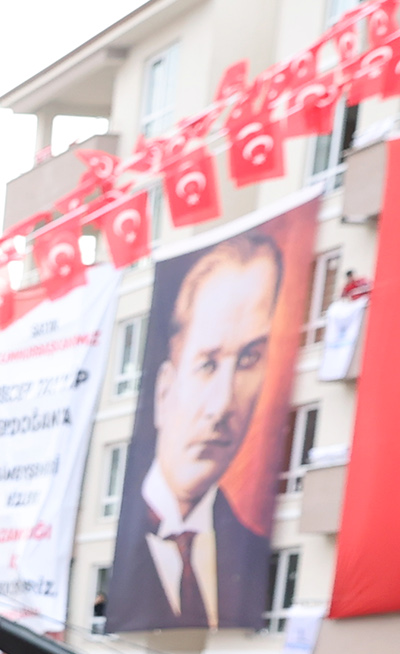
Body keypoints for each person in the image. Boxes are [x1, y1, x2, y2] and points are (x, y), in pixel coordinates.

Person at [104, 231, 283, 632]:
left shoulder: (250, 550)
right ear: (165, 387)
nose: (222, 406)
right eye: (207, 364)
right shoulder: (129, 539)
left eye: (249, 359)